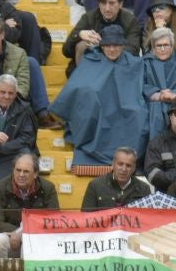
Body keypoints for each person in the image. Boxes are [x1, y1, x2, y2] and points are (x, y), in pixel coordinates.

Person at [55, 28, 145, 167]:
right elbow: (77, 86)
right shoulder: (91, 60)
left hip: (128, 104)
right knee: (90, 106)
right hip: (97, 106)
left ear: (122, 46)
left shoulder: (135, 63)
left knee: (138, 115)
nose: (111, 49)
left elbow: (139, 85)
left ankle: (128, 159)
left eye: (115, 45)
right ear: (101, 46)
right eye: (107, 45)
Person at [0, 154, 58, 259]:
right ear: (13, 170)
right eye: (18, 170)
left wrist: (22, 234)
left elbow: (53, 219)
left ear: (35, 174)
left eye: (26, 171)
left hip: (37, 236)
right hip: (9, 234)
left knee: (29, 243)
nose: (21, 175)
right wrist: (16, 233)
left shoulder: (48, 188)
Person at [81, 146, 152, 211]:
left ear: (134, 168)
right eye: (120, 164)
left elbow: (147, 218)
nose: (124, 169)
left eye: (128, 166)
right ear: (113, 164)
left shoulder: (143, 189)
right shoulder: (96, 185)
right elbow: (86, 217)